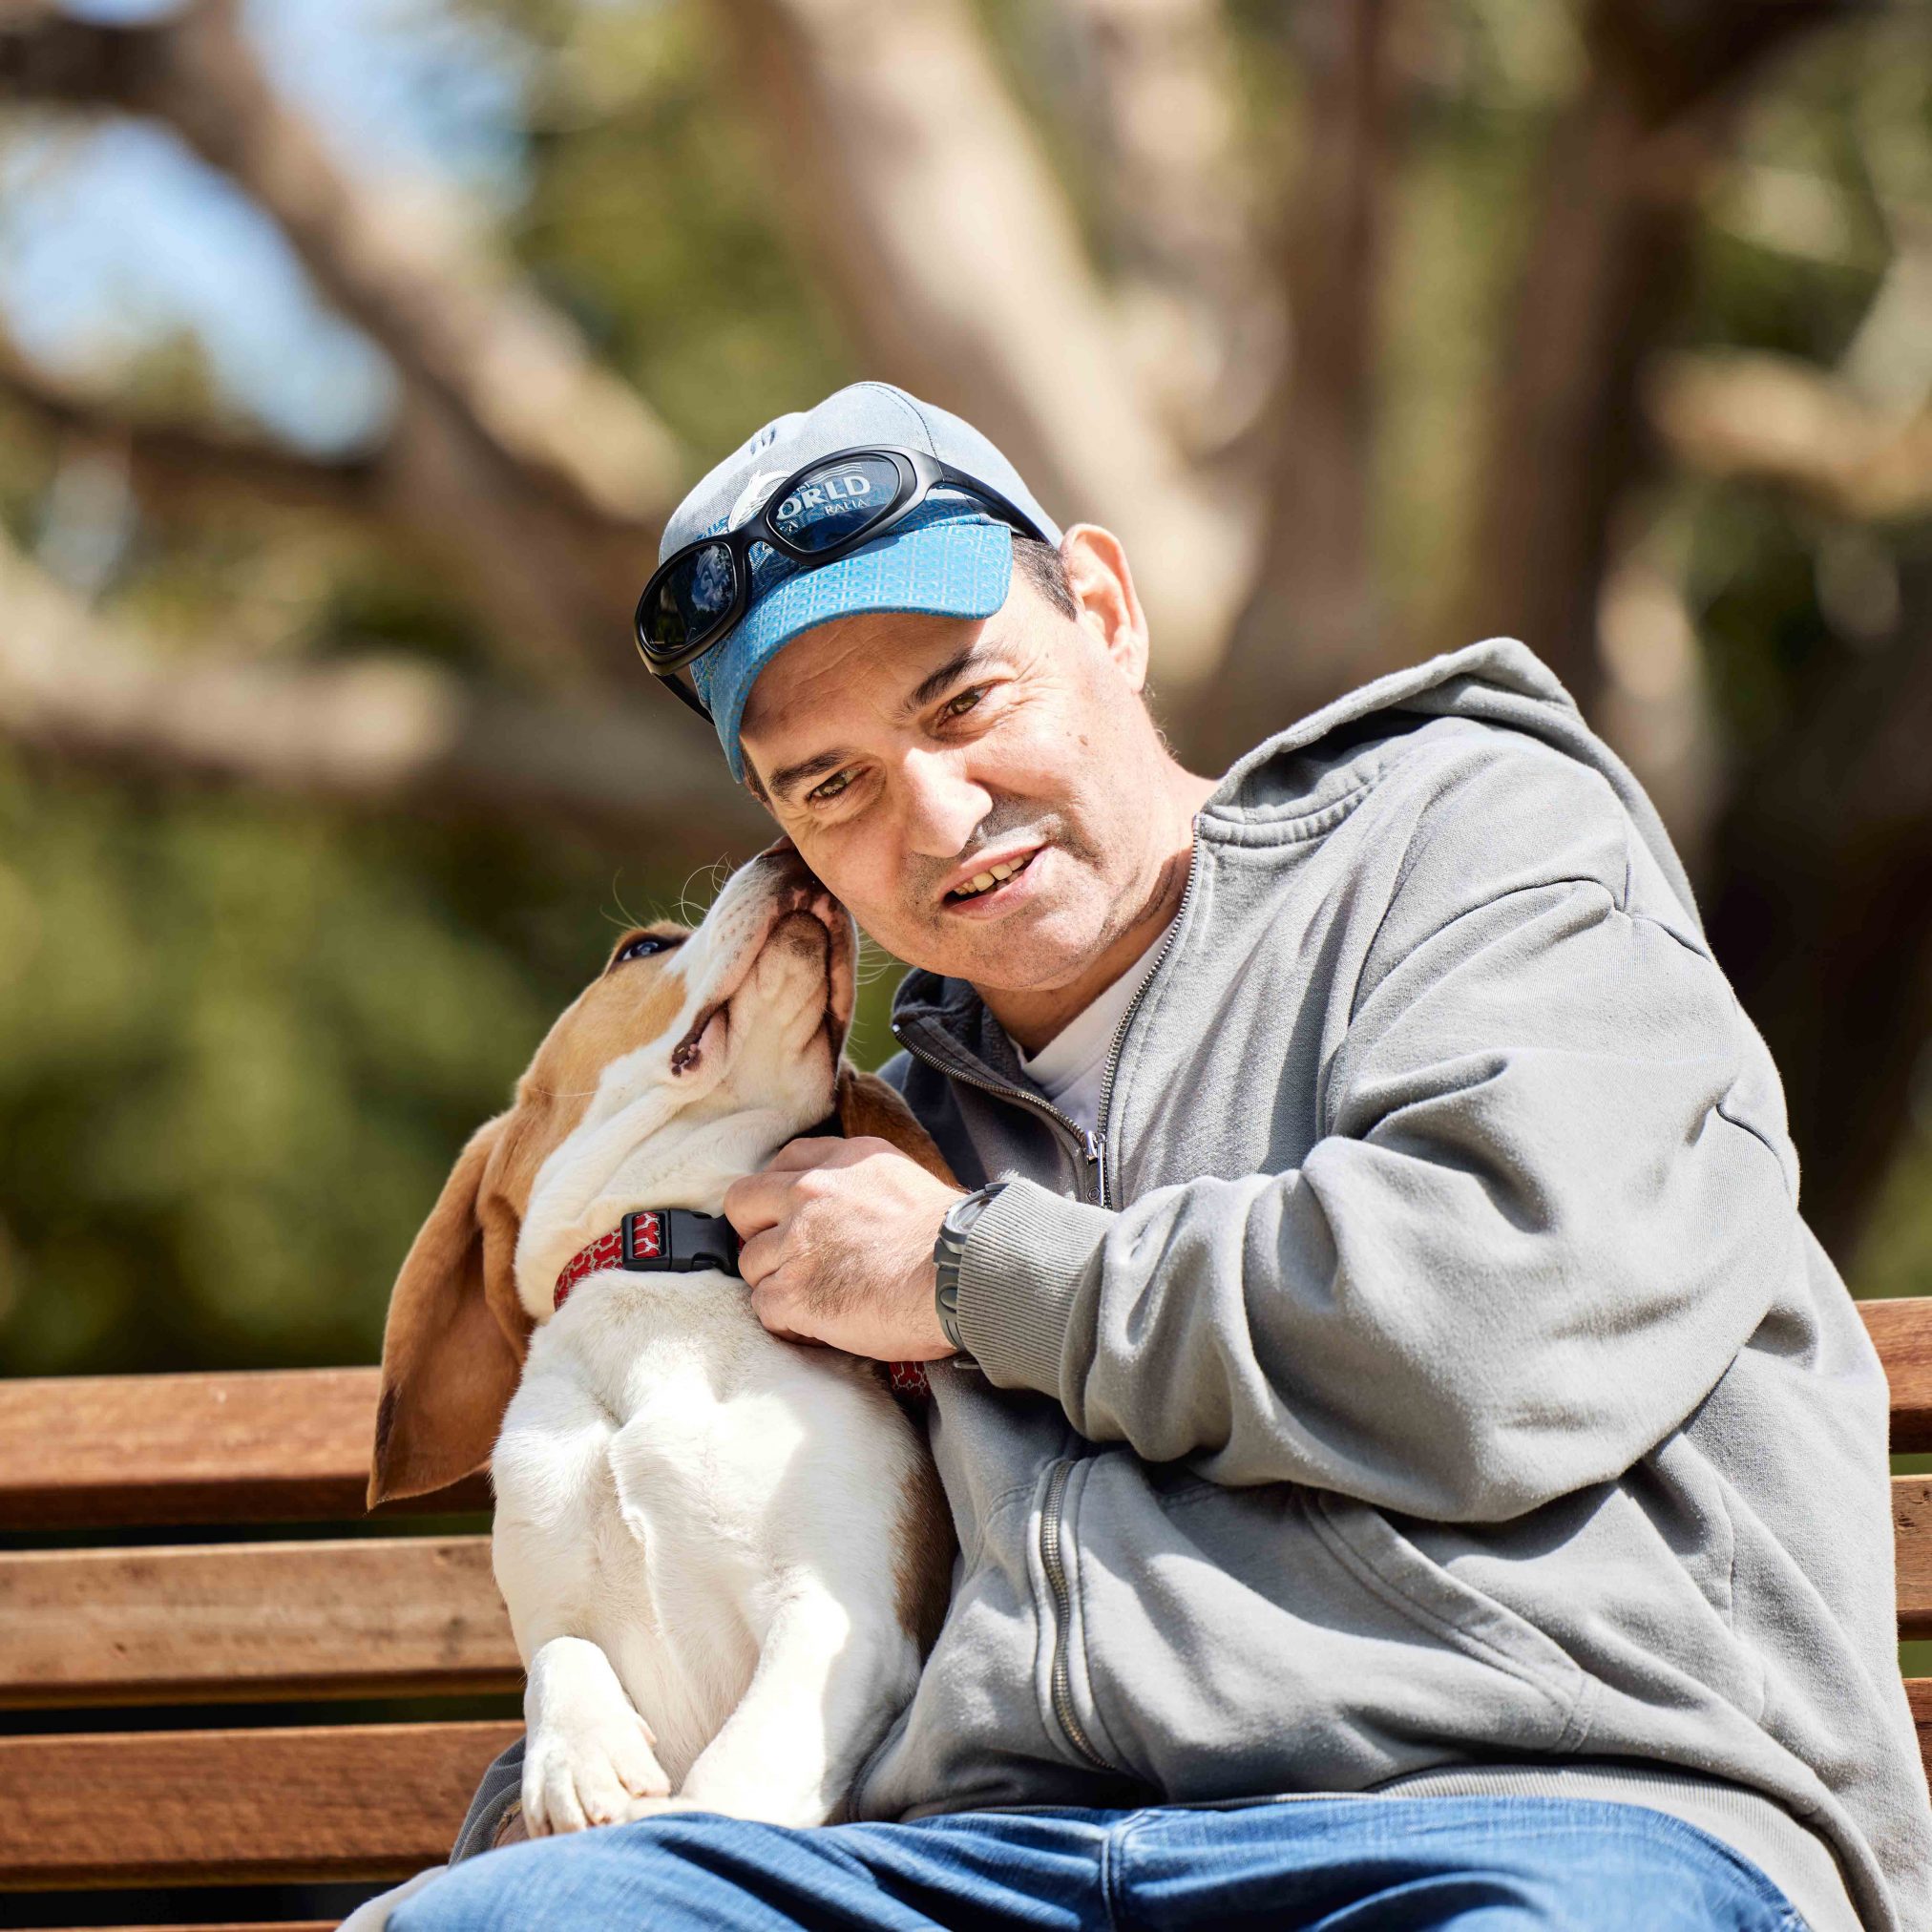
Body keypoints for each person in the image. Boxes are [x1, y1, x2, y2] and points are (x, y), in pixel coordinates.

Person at [395, 382, 1932, 1931]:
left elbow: (1489, 1324)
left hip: (1539, 1815)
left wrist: (967, 1274)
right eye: (833, 785)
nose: (936, 816)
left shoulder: (1469, 844)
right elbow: (745, 1597)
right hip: (1005, 1868)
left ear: (1109, 614)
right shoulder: (867, 1142)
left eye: (964, 700)